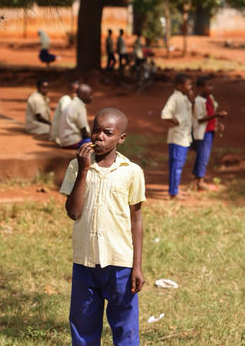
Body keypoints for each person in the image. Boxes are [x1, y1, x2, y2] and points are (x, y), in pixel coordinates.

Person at [61, 108, 145, 346]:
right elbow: (73, 211)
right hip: (85, 261)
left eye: (108, 133)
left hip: (120, 263)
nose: (99, 137)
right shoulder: (76, 167)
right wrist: (84, 170)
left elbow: (136, 219)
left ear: (121, 138)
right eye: (95, 131)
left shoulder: (132, 172)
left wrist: (136, 266)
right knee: (83, 326)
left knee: (125, 328)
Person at [161, 73, 193, 199]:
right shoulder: (175, 97)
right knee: (176, 165)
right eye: (188, 84)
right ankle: (173, 193)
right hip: (177, 137)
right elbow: (165, 113)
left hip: (184, 136)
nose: (190, 87)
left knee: (179, 164)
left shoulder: (183, 97)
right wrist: (175, 122)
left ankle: (175, 189)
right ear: (179, 86)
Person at [192, 76, 227, 190]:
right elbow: (200, 119)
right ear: (201, 88)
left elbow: (211, 114)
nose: (211, 88)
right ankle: (199, 181)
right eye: (209, 85)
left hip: (210, 130)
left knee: (203, 156)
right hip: (203, 132)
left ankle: (197, 180)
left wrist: (217, 124)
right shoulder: (198, 101)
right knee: (203, 156)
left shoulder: (209, 98)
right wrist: (216, 115)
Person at [57, 83, 92, 149]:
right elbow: (83, 130)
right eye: (89, 95)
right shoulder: (80, 107)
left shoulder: (72, 103)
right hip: (72, 142)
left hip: (64, 141)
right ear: (83, 95)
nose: (91, 97)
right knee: (94, 142)